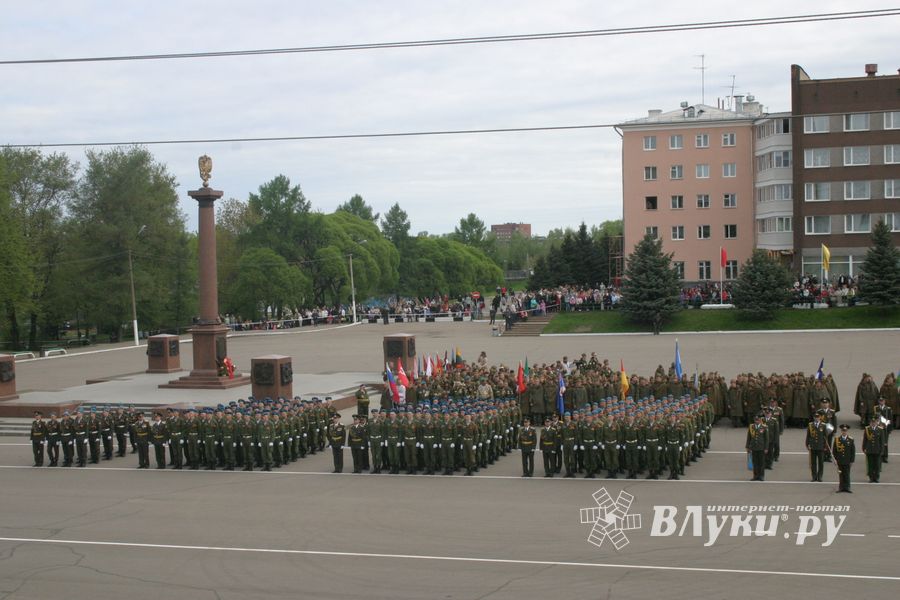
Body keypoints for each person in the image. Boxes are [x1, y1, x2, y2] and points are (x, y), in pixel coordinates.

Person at [805, 410, 828, 482]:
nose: (816, 418)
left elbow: (825, 437)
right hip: (813, 446)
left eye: (818, 417)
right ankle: (814, 476)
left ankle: (820, 476)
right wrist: (807, 444)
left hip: (820, 447)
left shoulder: (823, 425)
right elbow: (808, 436)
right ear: (813, 417)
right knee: (813, 463)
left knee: (821, 463)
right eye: (815, 417)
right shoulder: (810, 425)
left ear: (820, 417)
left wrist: (825, 446)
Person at [745, 413, 768, 482]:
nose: (756, 421)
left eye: (758, 420)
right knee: (755, 463)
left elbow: (766, 439)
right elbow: (749, 437)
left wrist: (766, 448)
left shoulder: (764, 427)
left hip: (761, 447)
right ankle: (755, 476)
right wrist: (747, 446)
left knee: (761, 463)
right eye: (755, 420)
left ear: (760, 420)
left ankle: (761, 476)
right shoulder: (751, 427)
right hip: (754, 447)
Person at [832, 424, 855, 493]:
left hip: (847, 460)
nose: (844, 432)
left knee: (847, 474)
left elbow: (852, 451)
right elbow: (834, 451)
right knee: (841, 474)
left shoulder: (851, 440)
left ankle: (847, 487)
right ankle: (841, 487)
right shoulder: (837, 439)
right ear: (841, 431)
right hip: (840, 460)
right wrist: (835, 459)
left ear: (847, 431)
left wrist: (852, 461)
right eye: (843, 431)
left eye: (845, 431)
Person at [862, 415, 884, 483]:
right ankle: (871, 477)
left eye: (874, 422)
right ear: (870, 422)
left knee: (877, 465)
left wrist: (881, 450)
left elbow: (881, 441)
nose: (873, 423)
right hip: (869, 449)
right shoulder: (867, 429)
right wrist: (864, 448)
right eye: (872, 422)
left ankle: (876, 477)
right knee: (870, 464)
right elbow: (865, 440)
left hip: (877, 450)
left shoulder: (880, 430)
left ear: (877, 422)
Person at [874, 396, 893, 463]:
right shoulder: (875, 408)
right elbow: (873, 418)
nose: (881, 402)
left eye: (882, 400)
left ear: (885, 401)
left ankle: (885, 456)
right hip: (877, 428)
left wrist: (887, 427)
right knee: (878, 442)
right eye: (880, 400)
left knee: (885, 443)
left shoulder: (888, 409)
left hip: (885, 429)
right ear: (878, 401)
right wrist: (877, 425)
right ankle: (878, 456)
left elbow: (890, 419)